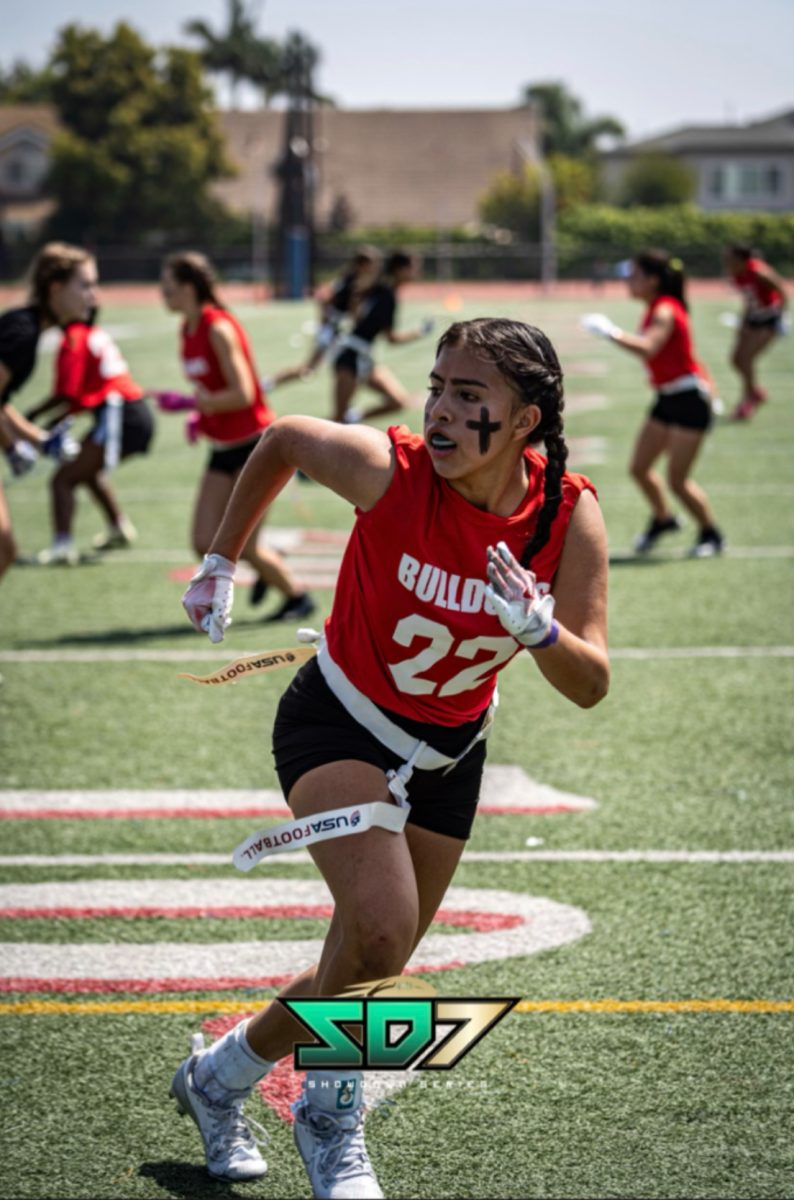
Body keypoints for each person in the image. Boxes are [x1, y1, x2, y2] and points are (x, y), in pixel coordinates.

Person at [174, 317, 610, 1196]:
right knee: (377, 931)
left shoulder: (568, 512)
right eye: (437, 387)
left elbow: (591, 680)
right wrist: (221, 559)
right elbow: (285, 437)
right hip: (338, 720)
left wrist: (542, 629)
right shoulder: (396, 471)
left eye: (468, 395)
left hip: (452, 751)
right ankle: (330, 1117)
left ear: (524, 421)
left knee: (375, 954)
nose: (440, 410)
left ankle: (219, 1076)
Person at [161, 251, 315, 622]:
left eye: (167, 287)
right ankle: (270, 561)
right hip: (221, 447)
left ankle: (298, 596)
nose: (162, 294)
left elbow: (244, 393)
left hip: (253, 445)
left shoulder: (218, 327)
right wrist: (201, 415)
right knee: (203, 541)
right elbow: (215, 390)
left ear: (187, 287)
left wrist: (192, 403)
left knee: (242, 545)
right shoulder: (188, 328)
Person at [581, 250, 725, 557]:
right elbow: (688, 355)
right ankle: (664, 518)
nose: (627, 282)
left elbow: (649, 347)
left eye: (634, 276)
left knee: (677, 480)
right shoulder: (656, 307)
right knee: (639, 468)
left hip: (688, 401)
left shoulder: (665, 309)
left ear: (653, 280)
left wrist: (609, 331)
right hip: (667, 398)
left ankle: (711, 533)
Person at [28, 302, 154, 565]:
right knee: (87, 471)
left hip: (120, 415)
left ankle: (62, 546)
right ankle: (118, 527)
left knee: (62, 479)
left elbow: (67, 393)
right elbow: (83, 396)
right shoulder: (93, 333)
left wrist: (32, 416)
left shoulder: (74, 337)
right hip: (130, 412)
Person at [0, 242, 90, 582]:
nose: (92, 295)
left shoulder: (27, 328)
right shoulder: (22, 333)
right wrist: (11, 448)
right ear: (56, 288)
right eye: (84, 285)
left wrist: (39, 439)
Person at [329, 250, 434, 424]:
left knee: (398, 402)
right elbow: (391, 338)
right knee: (337, 420)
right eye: (413, 268)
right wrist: (420, 332)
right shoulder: (386, 294)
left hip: (363, 356)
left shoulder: (381, 288)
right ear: (400, 269)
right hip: (349, 355)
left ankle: (352, 418)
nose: (416, 272)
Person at [267, 247, 382, 389]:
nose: (374, 268)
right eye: (371, 264)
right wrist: (327, 321)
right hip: (334, 331)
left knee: (349, 368)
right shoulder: (353, 283)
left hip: (338, 331)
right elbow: (329, 301)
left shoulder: (350, 280)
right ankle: (268, 383)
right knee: (311, 368)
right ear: (362, 265)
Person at [724, 243, 788, 420]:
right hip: (753, 318)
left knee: (746, 359)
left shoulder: (759, 271)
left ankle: (748, 400)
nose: (727, 262)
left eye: (731, 259)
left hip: (768, 318)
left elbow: (782, 291)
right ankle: (755, 392)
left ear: (742, 260)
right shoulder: (738, 275)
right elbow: (749, 299)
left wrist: (781, 317)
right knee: (736, 359)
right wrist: (743, 321)